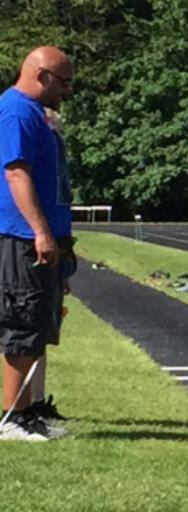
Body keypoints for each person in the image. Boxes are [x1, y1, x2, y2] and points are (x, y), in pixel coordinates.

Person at [0, 46, 74, 440]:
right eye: (64, 82)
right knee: (21, 322)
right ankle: (11, 416)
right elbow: (16, 174)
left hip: (43, 234)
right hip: (22, 234)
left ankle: (27, 412)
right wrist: (41, 232)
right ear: (42, 75)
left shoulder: (37, 115)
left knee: (38, 321)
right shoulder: (15, 111)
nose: (68, 91)